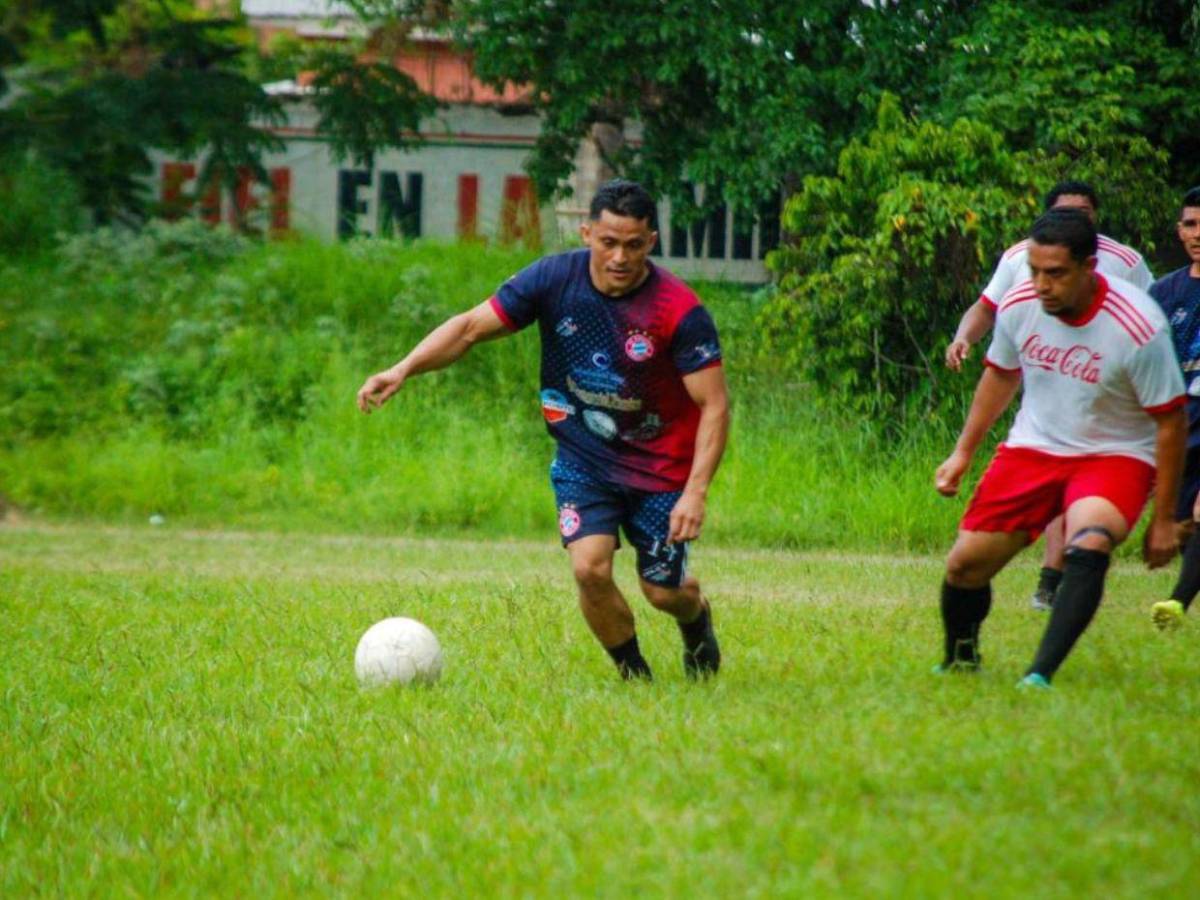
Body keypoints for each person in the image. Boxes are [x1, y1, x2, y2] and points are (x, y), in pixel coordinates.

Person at [356, 179, 730, 681]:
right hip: (584, 459)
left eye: (634, 244)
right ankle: (636, 677)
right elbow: (469, 328)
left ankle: (696, 620)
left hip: (661, 468)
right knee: (589, 570)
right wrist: (403, 368)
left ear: (652, 242)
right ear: (586, 233)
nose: (620, 256)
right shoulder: (553, 280)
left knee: (663, 591)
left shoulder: (678, 310)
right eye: (608, 242)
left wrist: (696, 492)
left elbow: (714, 406)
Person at [934, 208, 1185, 688]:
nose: (1042, 284)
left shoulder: (1138, 326)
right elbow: (1001, 376)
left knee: (1089, 542)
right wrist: (963, 453)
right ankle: (960, 660)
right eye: (1034, 271)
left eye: (1056, 273)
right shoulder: (1019, 304)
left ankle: (1039, 674)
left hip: (1115, 454)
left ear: (1089, 268)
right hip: (1033, 448)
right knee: (966, 565)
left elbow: (1170, 421)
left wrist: (1164, 517)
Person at [944, 181, 1154, 612]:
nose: (1044, 282)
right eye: (1066, 212)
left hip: (1101, 402)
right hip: (1040, 392)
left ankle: (1054, 580)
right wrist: (962, 338)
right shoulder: (1020, 261)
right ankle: (1046, 580)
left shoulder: (1126, 264)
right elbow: (988, 310)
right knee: (978, 549)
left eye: (1084, 213)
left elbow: (1153, 320)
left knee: (1082, 502)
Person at [1149, 187, 1200, 630]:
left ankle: (1177, 602)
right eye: (1190, 224)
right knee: (1185, 523)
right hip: (1182, 419)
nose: (1197, 233)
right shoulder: (1165, 291)